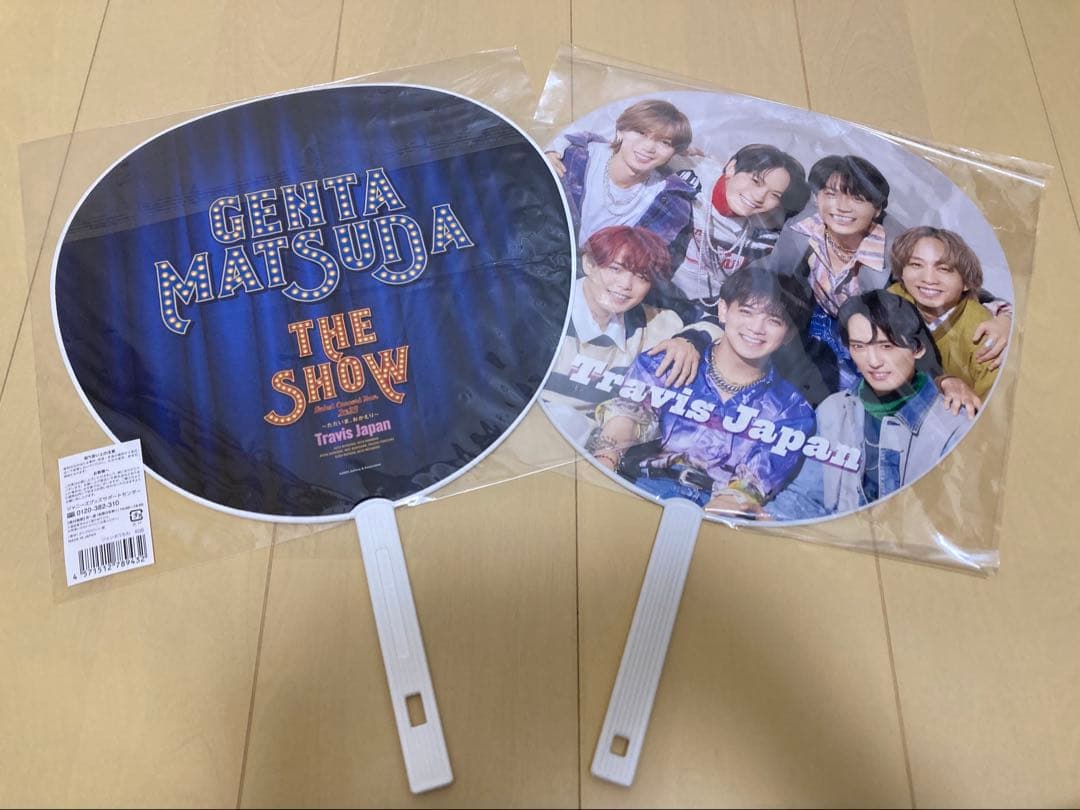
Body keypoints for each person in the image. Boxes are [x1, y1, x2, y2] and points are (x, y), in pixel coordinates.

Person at [585, 267, 815, 518]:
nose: (757, 328)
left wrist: (720, 512)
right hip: (640, 485)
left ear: (789, 334)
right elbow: (627, 418)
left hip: (716, 510)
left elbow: (753, 482)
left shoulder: (792, 409)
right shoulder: (670, 361)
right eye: (746, 312)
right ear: (723, 310)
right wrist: (605, 461)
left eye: (774, 321)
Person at [767, 289, 971, 520]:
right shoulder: (834, 409)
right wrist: (764, 518)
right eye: (859, 347)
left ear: (917, 348)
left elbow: (955, 521)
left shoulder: (953, 425)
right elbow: (806, 497)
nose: (873, 362)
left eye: (886, 346)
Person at [542, 226, 719, 445]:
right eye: (616, 269)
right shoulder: (546, 308)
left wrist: (689, 340)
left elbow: (718, 321)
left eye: (641, 277)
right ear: (589, 264)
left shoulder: (652, 323)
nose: (626, 285)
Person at [544, 99, 697, 261]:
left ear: (673, 153)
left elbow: (649, 262)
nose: (649, 147)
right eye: (642, 133)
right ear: (620, 131)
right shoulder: (573, 158)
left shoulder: (670, 203)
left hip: (597, 274)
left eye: (665, 142)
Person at [669, 143, 810, 306]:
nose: (759, 197)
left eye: (775, 195)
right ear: (731, 168)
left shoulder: (771, 228)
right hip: (659, 285)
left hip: (712, 304)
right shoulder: (692, 176)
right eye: (756, 181)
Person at [888, 226, 999, 399]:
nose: (928, 279)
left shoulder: (983, 335)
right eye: (916, 265)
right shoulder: (894, 299)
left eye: (944, 269)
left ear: (966, 282)